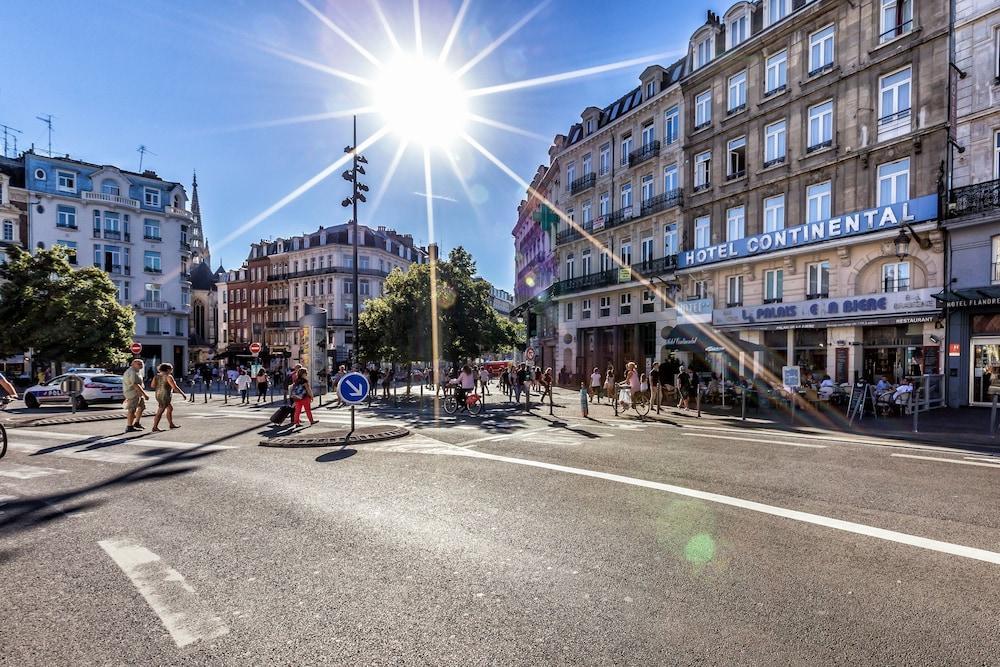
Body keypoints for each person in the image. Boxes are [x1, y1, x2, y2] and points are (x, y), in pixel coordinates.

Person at [149, 363, 186, 431]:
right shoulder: (168, 376)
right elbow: (174, 387)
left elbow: (152, 386)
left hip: (158, 394)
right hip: (165, 395)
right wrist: (182, 394)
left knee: (170, 408)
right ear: (168, 369)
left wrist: (160, 385)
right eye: (171, 369)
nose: (172, 370)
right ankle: (155, 427)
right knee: (160, 411)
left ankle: (171, 424)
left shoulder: (156, 376)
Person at [122, 358, 149, 433]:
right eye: (139, 364)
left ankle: (136, 423)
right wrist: (145, 394)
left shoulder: (137, 371)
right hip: (133, 393)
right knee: (132, 410)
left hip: (137, 393)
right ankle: (129, 426)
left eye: (142, 363)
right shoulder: (132, 372)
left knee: (141, 407)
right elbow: (135, 384)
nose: (141, 365)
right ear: (132, 364)